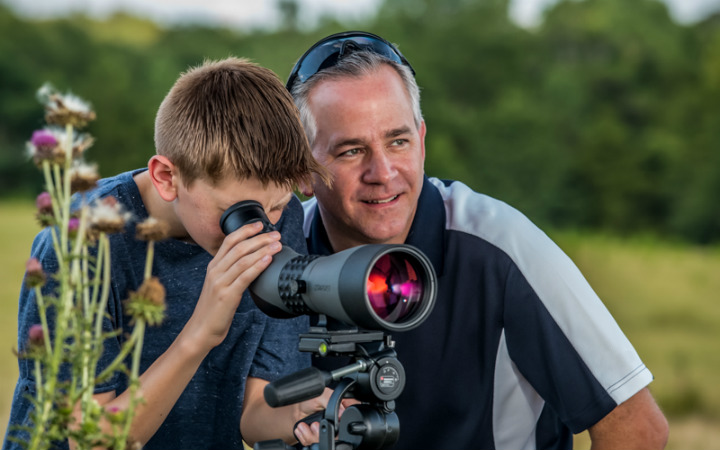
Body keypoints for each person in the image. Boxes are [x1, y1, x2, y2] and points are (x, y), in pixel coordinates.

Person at [288, 31, 670, 450]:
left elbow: (637, 429)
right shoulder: (280, 258)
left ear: (422, 142)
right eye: (351, 151)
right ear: (303, 171)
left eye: (398, 142)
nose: (382, 172)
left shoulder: (502, 246)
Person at [4, 57, 332, 450]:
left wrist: (304, 414)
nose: (260, 230)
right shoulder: (82, 243)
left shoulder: (283, 219)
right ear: (167, 177)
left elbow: (253, 415)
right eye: (238, 213)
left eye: (275, 207)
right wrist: (200, 333)